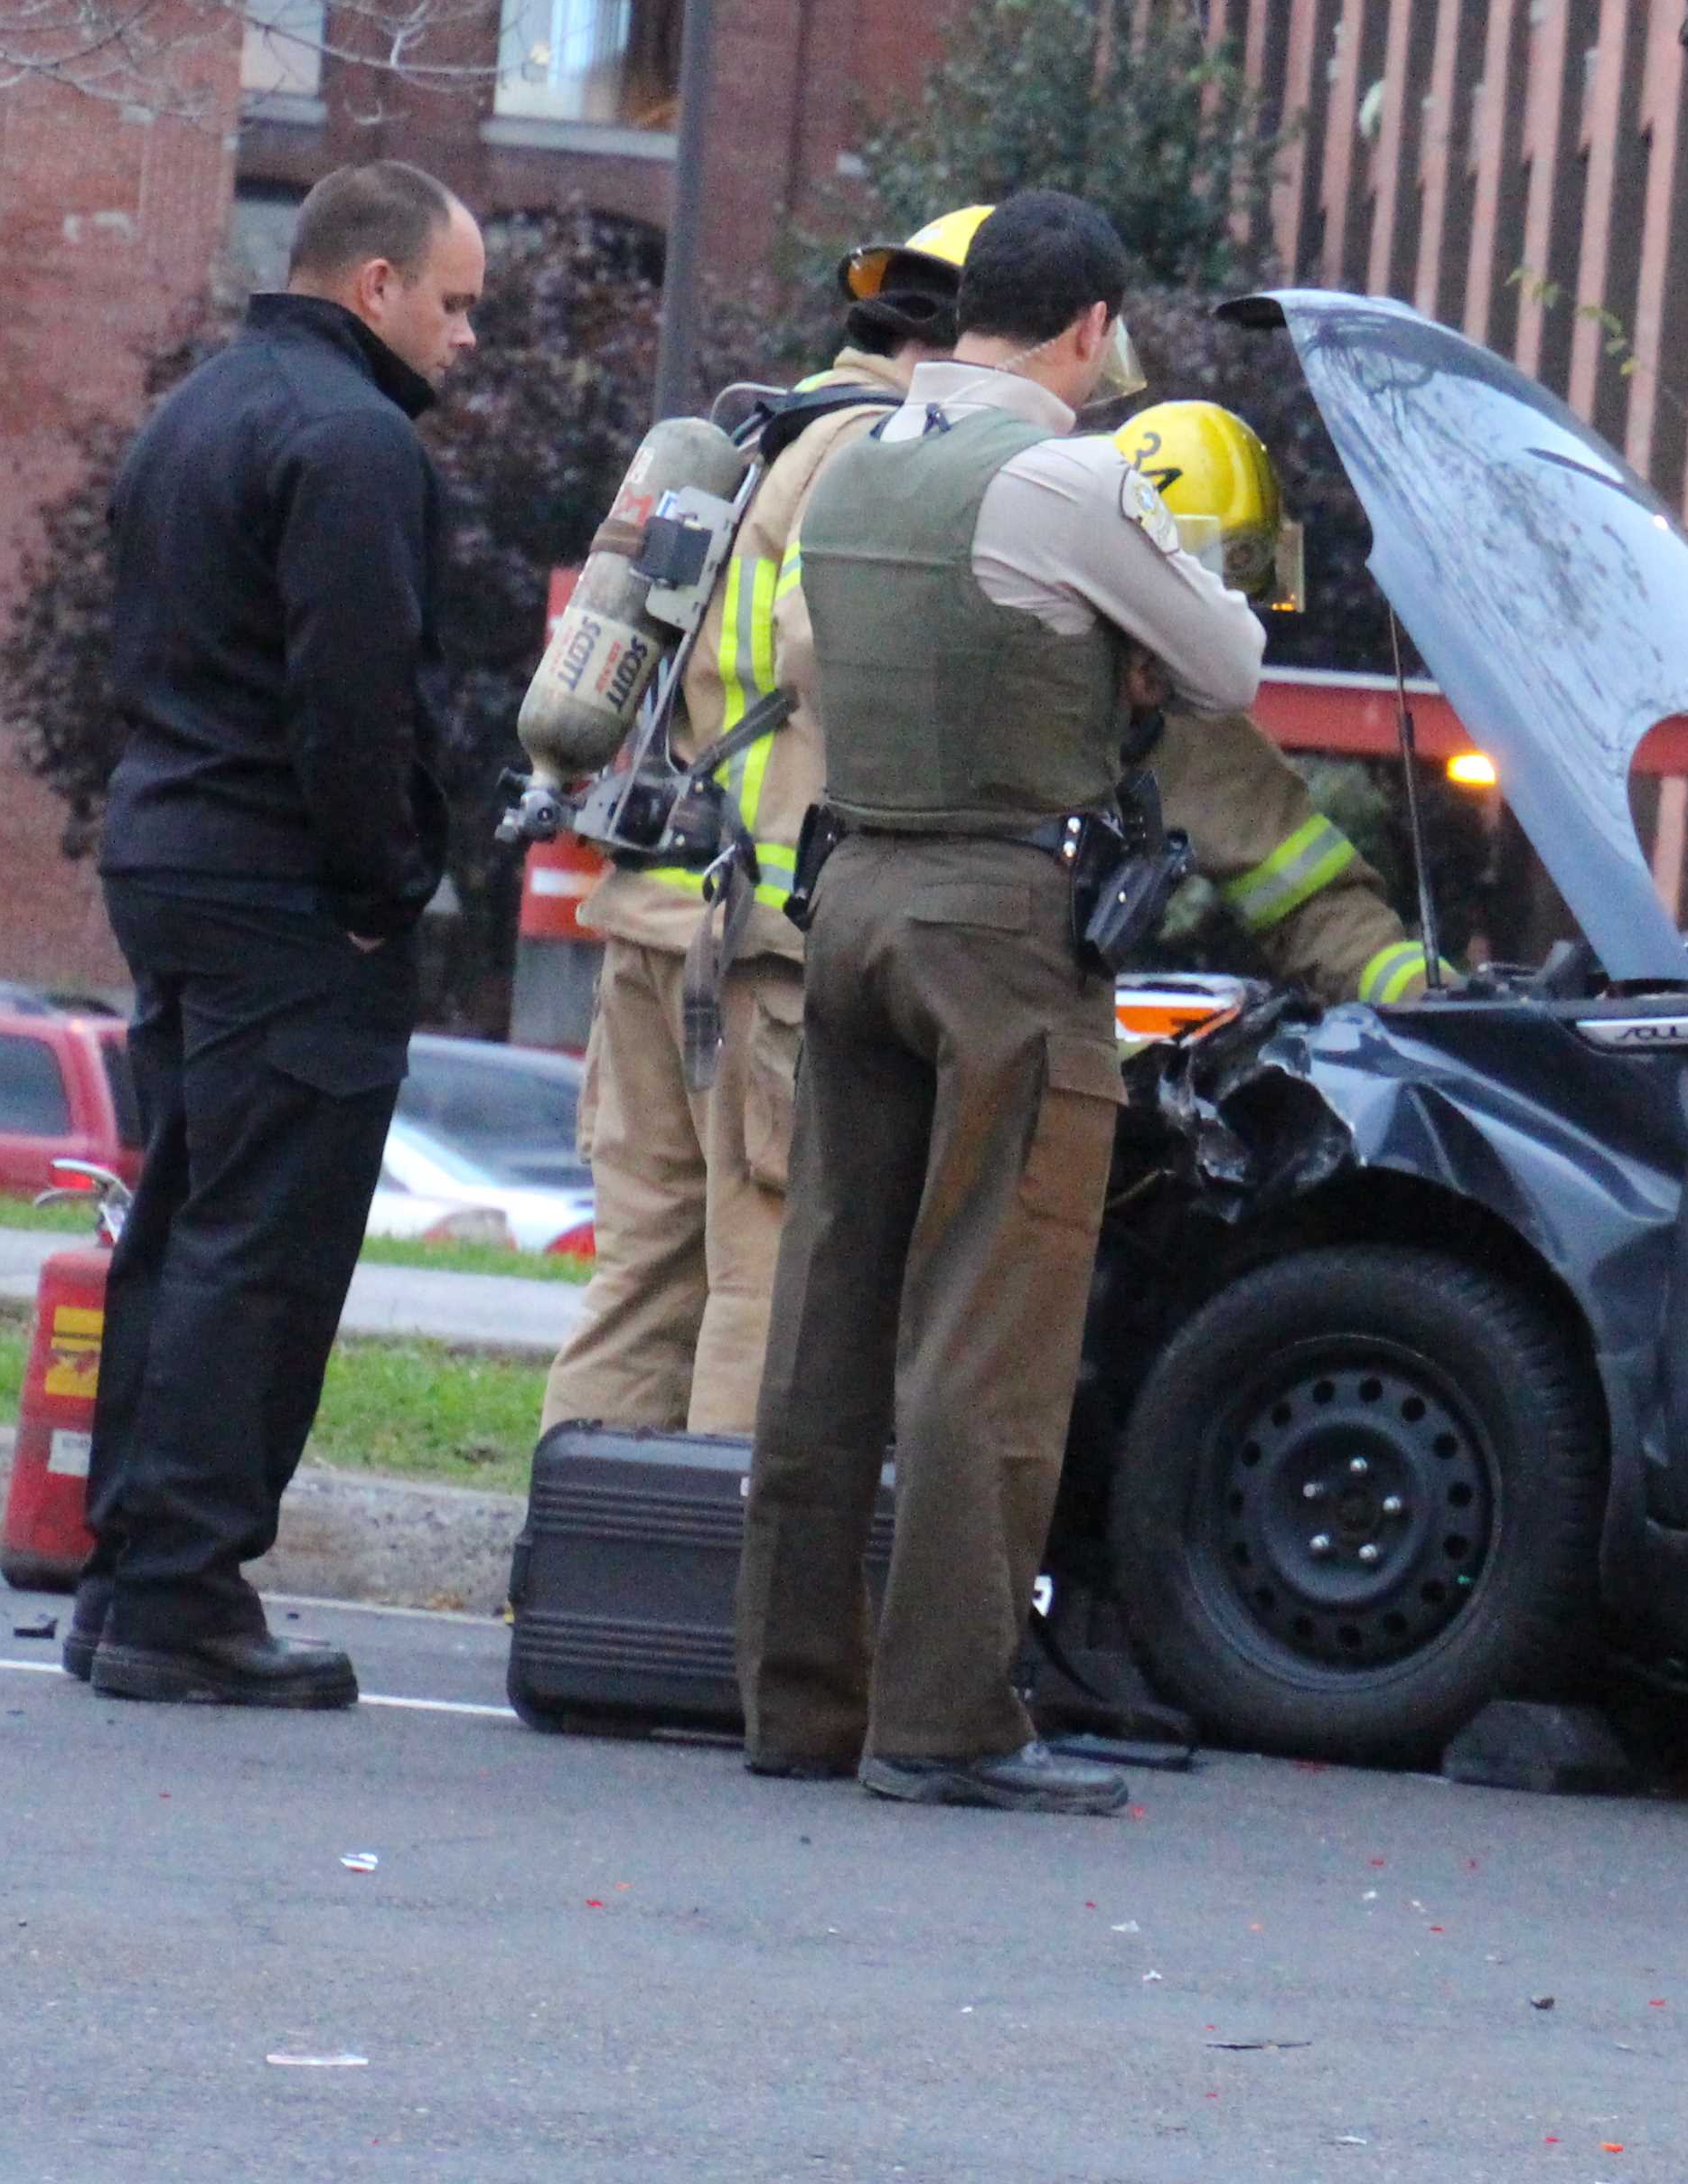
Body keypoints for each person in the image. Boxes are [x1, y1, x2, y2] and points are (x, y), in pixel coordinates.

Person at [736, 191, 1267, 1814]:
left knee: (826, 1303)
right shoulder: (1067, 474)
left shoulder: (854, 459)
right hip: (1002, 925)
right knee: (990, 1317)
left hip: (849, 901)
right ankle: (948, 1715)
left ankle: (797, 1701)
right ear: (1091, 327)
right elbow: (1226, 663)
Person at [70, 161, 485, 1709]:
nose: (463, 339)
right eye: (453, 304)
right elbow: (357, 700)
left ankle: (129, 1575)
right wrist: (385, 889)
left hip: (171, 849)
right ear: (372, 286)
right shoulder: (354, 445)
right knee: (263, 1245)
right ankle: (180, 1590)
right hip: (281, 886)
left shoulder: (196, 411)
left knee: (183, 1221)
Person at [535, 209, 971, 1439]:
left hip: (650, 916)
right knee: (763, 1284)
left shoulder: (752, 434)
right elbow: (836, 664)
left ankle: (573, 1585)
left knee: (642, 1277)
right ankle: (719, 1609)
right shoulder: (878, 459)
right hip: (759, 957)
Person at [1111, 398, 1443, 1008]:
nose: (1232, 634)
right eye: (1211, 604)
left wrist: (1438, 1005)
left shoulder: (1193, 733)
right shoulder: (1006, 686)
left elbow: (1314, 905)